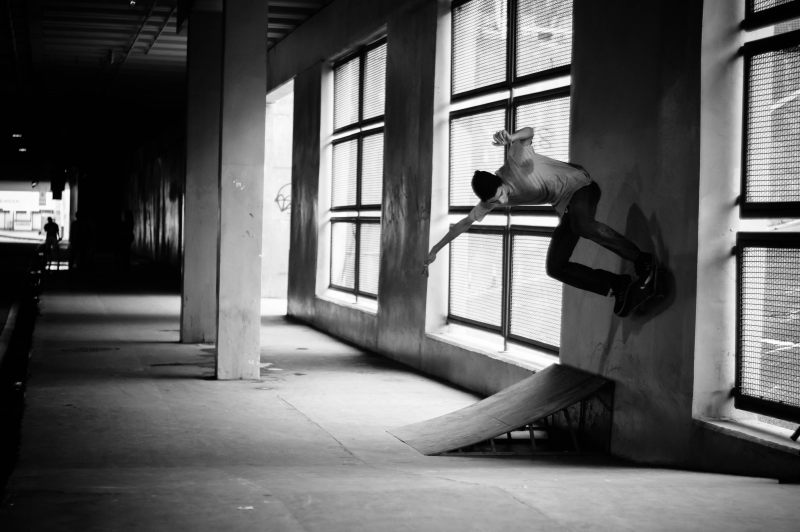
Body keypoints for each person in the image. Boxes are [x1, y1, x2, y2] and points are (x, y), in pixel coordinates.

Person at [423, 127, 655, 317]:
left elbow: (529, 132)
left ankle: (643, 261)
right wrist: (435, 250)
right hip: (567, 208)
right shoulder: (492, 200)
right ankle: (618, 286)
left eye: (502, 193)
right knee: (555, 267)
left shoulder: (515, 162)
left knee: (582, 225)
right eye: (496, 200)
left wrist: (511, 137)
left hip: (582, 187)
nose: (503, 200)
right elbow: (463, 224)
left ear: (500, 180)